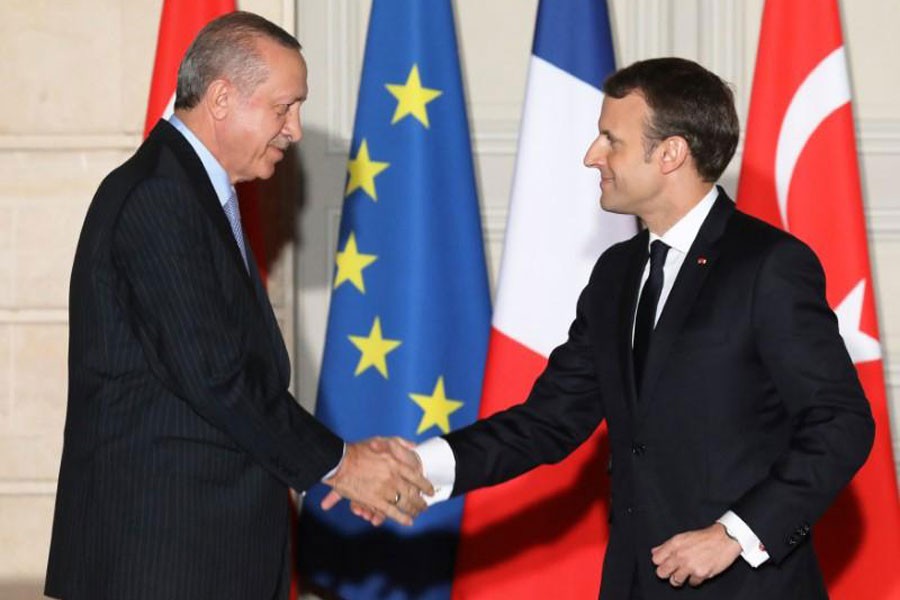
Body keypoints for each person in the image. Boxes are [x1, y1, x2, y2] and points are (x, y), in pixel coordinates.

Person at [340, 57, 876, 599]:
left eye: (610, 140)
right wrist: (418, 465)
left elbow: (841, 422)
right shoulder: (616, 273)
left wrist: (736, 533)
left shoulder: (768, 266)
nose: (592, 156)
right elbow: (548, 420)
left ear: (670, 153)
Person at [44, 12, 430, 600]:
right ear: (222, 97)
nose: (296, 130)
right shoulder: (159, 198)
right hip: (161, 563)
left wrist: (335, 458)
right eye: (284, 107)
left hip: (206, 555)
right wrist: (342, 465)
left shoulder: (192, 192)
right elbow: (217, 378)